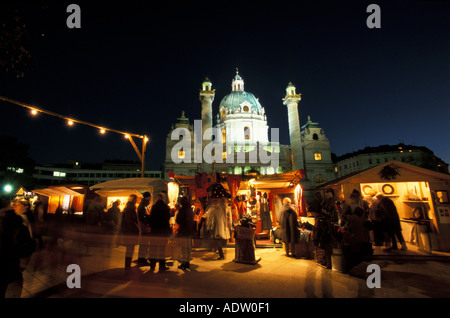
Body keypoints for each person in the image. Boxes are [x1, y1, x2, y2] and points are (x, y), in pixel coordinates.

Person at [0, 199, 36, 297]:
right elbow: (28, 247)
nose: (15, 206)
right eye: (14, 204)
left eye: (17, 204)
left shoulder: (20, 219)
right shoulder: (17, 222)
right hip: (11, 269)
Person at [204, 184, 233, 260]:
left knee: (218, 240)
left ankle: (221, 255)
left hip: (219, 227)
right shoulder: (218, 208)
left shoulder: (220, 208)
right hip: (219, 227)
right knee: (218, 240)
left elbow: (213, 217)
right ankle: (220, 253)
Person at [148, 193, 172, 271]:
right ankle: (162, 266)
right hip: (163, 231)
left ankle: (152, 266)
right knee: (162, 249)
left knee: (153, 249)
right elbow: (167, 220)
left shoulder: (154, 207)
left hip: (154, 231)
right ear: (163, 198)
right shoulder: (166, 208)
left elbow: (151, 219)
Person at [120, 195, 140, 269]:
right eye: (136, 199)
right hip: (131, 232)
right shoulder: (130, 210)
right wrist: (136, 229)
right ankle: (127, 265)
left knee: (130, 249)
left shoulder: (128, 209)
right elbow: (130, 222)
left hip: (129, 232)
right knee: (130, 249)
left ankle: (127, 265)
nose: (136, 201)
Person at [175, 196, 194, 270]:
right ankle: (187, 262)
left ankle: (184, 263)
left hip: (183, 231)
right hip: (189, 231)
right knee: (188, 248)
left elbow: (178, 220)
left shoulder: (182, 210)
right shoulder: (190, 209)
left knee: (184, 248)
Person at [137, 191, 152, 265]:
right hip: (144, 226)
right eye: (150, 196)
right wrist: (147, 222)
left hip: (144, 225)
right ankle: (142, 259)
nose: (151, 198)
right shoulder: (143, 205)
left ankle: (142, 258)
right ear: (147, 197)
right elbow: (142, 216)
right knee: (144, 243)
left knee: (144, 242)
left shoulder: (144, 204)